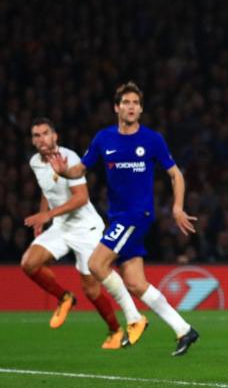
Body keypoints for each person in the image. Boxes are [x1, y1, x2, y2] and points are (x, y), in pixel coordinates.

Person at [50, 82, 200, 356]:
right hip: (118, 216)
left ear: (141, 109)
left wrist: (177, 207)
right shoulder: (103, 139)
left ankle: (134, 319)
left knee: (96, 263)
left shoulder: (152, 139)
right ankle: (183, 329)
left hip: (137, 214)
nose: (131, 107)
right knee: (134, 282)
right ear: (116, 108)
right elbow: (81, 168)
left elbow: (175, 174)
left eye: (135, 103)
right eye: (126, 103)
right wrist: (64, 171)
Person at [21, 118, 140, 349]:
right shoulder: (35, 161)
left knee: (92, 290)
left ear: (55, 136)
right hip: (61, 226)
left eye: (46, 133)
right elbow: (47, 190)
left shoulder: (70, 158)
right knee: (29, 263)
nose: (41, 139)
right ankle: (65, 297)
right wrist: (43, 215)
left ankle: (115, 330)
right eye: (36, 135)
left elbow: (81, 198)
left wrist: (48, 215)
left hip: (86, 229)